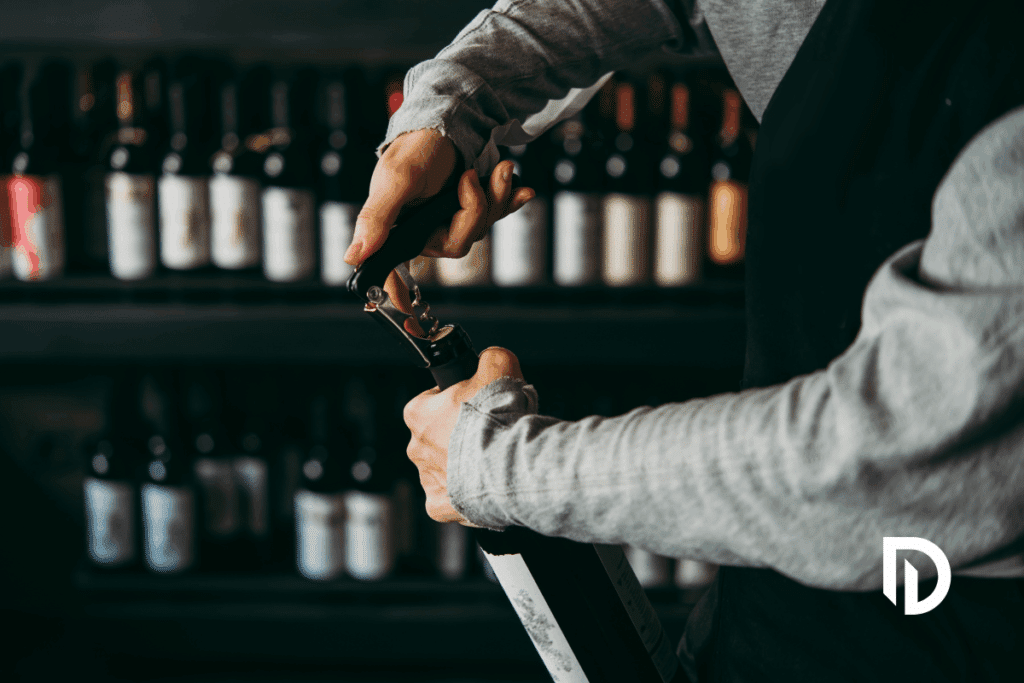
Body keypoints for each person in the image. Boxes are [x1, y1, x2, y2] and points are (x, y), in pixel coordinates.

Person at [344, 0, 1024, 680]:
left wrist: (499, 469)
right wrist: (452, 108)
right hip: (763, 597)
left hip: (941, 627)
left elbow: (882, 460)